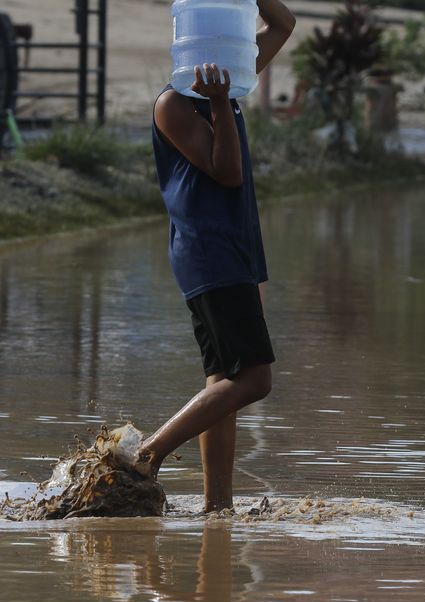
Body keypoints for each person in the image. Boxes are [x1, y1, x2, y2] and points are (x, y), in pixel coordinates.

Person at [137, 0, 296, 513]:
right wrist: (223, 102)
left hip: (233, 249)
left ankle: (217, 507)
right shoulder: (174, 105)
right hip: (210, 253)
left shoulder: (232, 84)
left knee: (223, 380)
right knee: (254, 379)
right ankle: (150, 453)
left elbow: (284, 24)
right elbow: (225, 172)